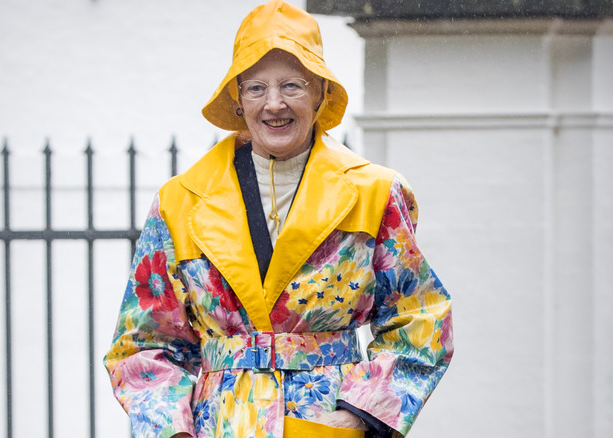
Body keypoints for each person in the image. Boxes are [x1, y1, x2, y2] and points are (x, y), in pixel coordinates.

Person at [103, 1, 453, 437]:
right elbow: (143, 345)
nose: (274, 104)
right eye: (255, 88)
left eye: (292, 85)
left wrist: (356, 416)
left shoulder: (376, 194)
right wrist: (174, 432)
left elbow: (420, 315)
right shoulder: (179, 203)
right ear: (236, 99)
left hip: (324, 423)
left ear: (321, 93)